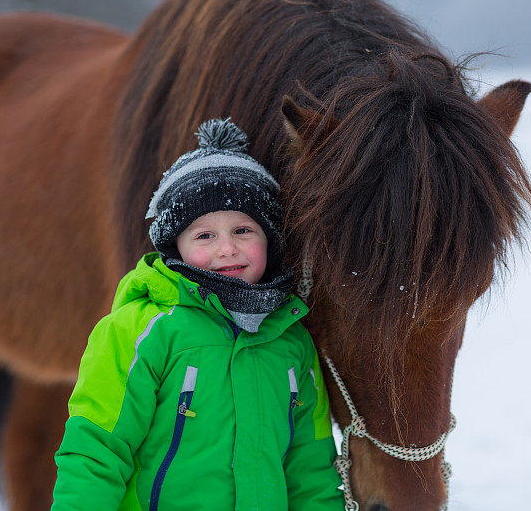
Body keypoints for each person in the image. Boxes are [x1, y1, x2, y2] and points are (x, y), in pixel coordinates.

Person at [51, 118, 344, 510]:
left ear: (269, 240)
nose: (227, 249)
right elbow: (98, 449)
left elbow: (311, 471)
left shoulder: (292, 341)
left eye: (243, 230)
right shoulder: (141, 330)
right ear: (177, 248)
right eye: (205, 235)